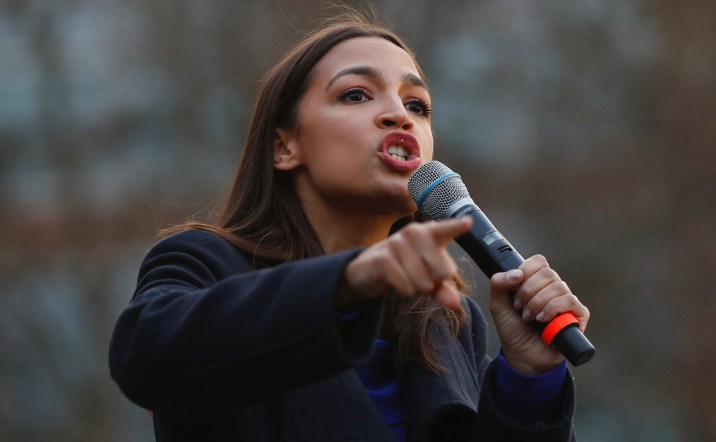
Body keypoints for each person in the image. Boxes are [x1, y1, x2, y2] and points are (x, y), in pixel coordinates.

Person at [109, 7, 590, 442]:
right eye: (356, 94)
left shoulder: (448, 323)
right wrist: (348, 282)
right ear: (284, 147)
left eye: (417, 105)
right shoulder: (206, 264)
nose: (398, 115)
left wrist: (528, 380)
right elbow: (145, 356)